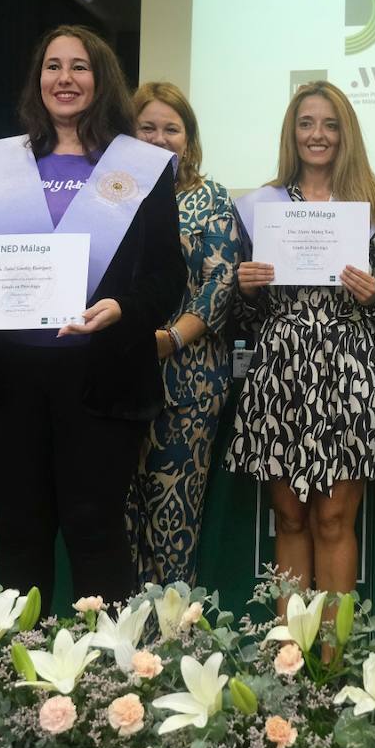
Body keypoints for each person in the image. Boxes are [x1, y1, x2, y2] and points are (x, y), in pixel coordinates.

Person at [0, 25, 186, 607]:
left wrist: (125, 308)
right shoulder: (1, 165)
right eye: (53, 66)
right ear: (37, 79)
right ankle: (20, 683)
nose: (64, 79)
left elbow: (169, 276)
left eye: (80, 67)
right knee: (19, 536)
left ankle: (105, 687)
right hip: (10, 380)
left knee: (95, 533)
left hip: (102, 380)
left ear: (102, 79)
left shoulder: (140, 166)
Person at [226, 81, 375, 608]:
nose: (318, 135)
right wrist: (247, 289)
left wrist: (374, 296)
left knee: (332, 520)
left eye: (330, 124)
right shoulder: (263, 206)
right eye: (307, 123)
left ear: (345, 133)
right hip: (281, 370)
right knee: (289, 517)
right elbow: (243, 316)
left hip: (351, 372)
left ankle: (333, 659)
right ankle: (290, 662)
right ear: (292, 133)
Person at [128, 81, 240, 587]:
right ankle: (118, 647)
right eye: (146, 127)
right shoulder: (109, 196)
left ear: (189, 141)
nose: (158, 138)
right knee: (119, 516)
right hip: (117, 378)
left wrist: (168, 339)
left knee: (175, 518)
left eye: (170, 129)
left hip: (190, 382)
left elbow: (221, 285)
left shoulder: (210, 198)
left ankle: (173, 647)